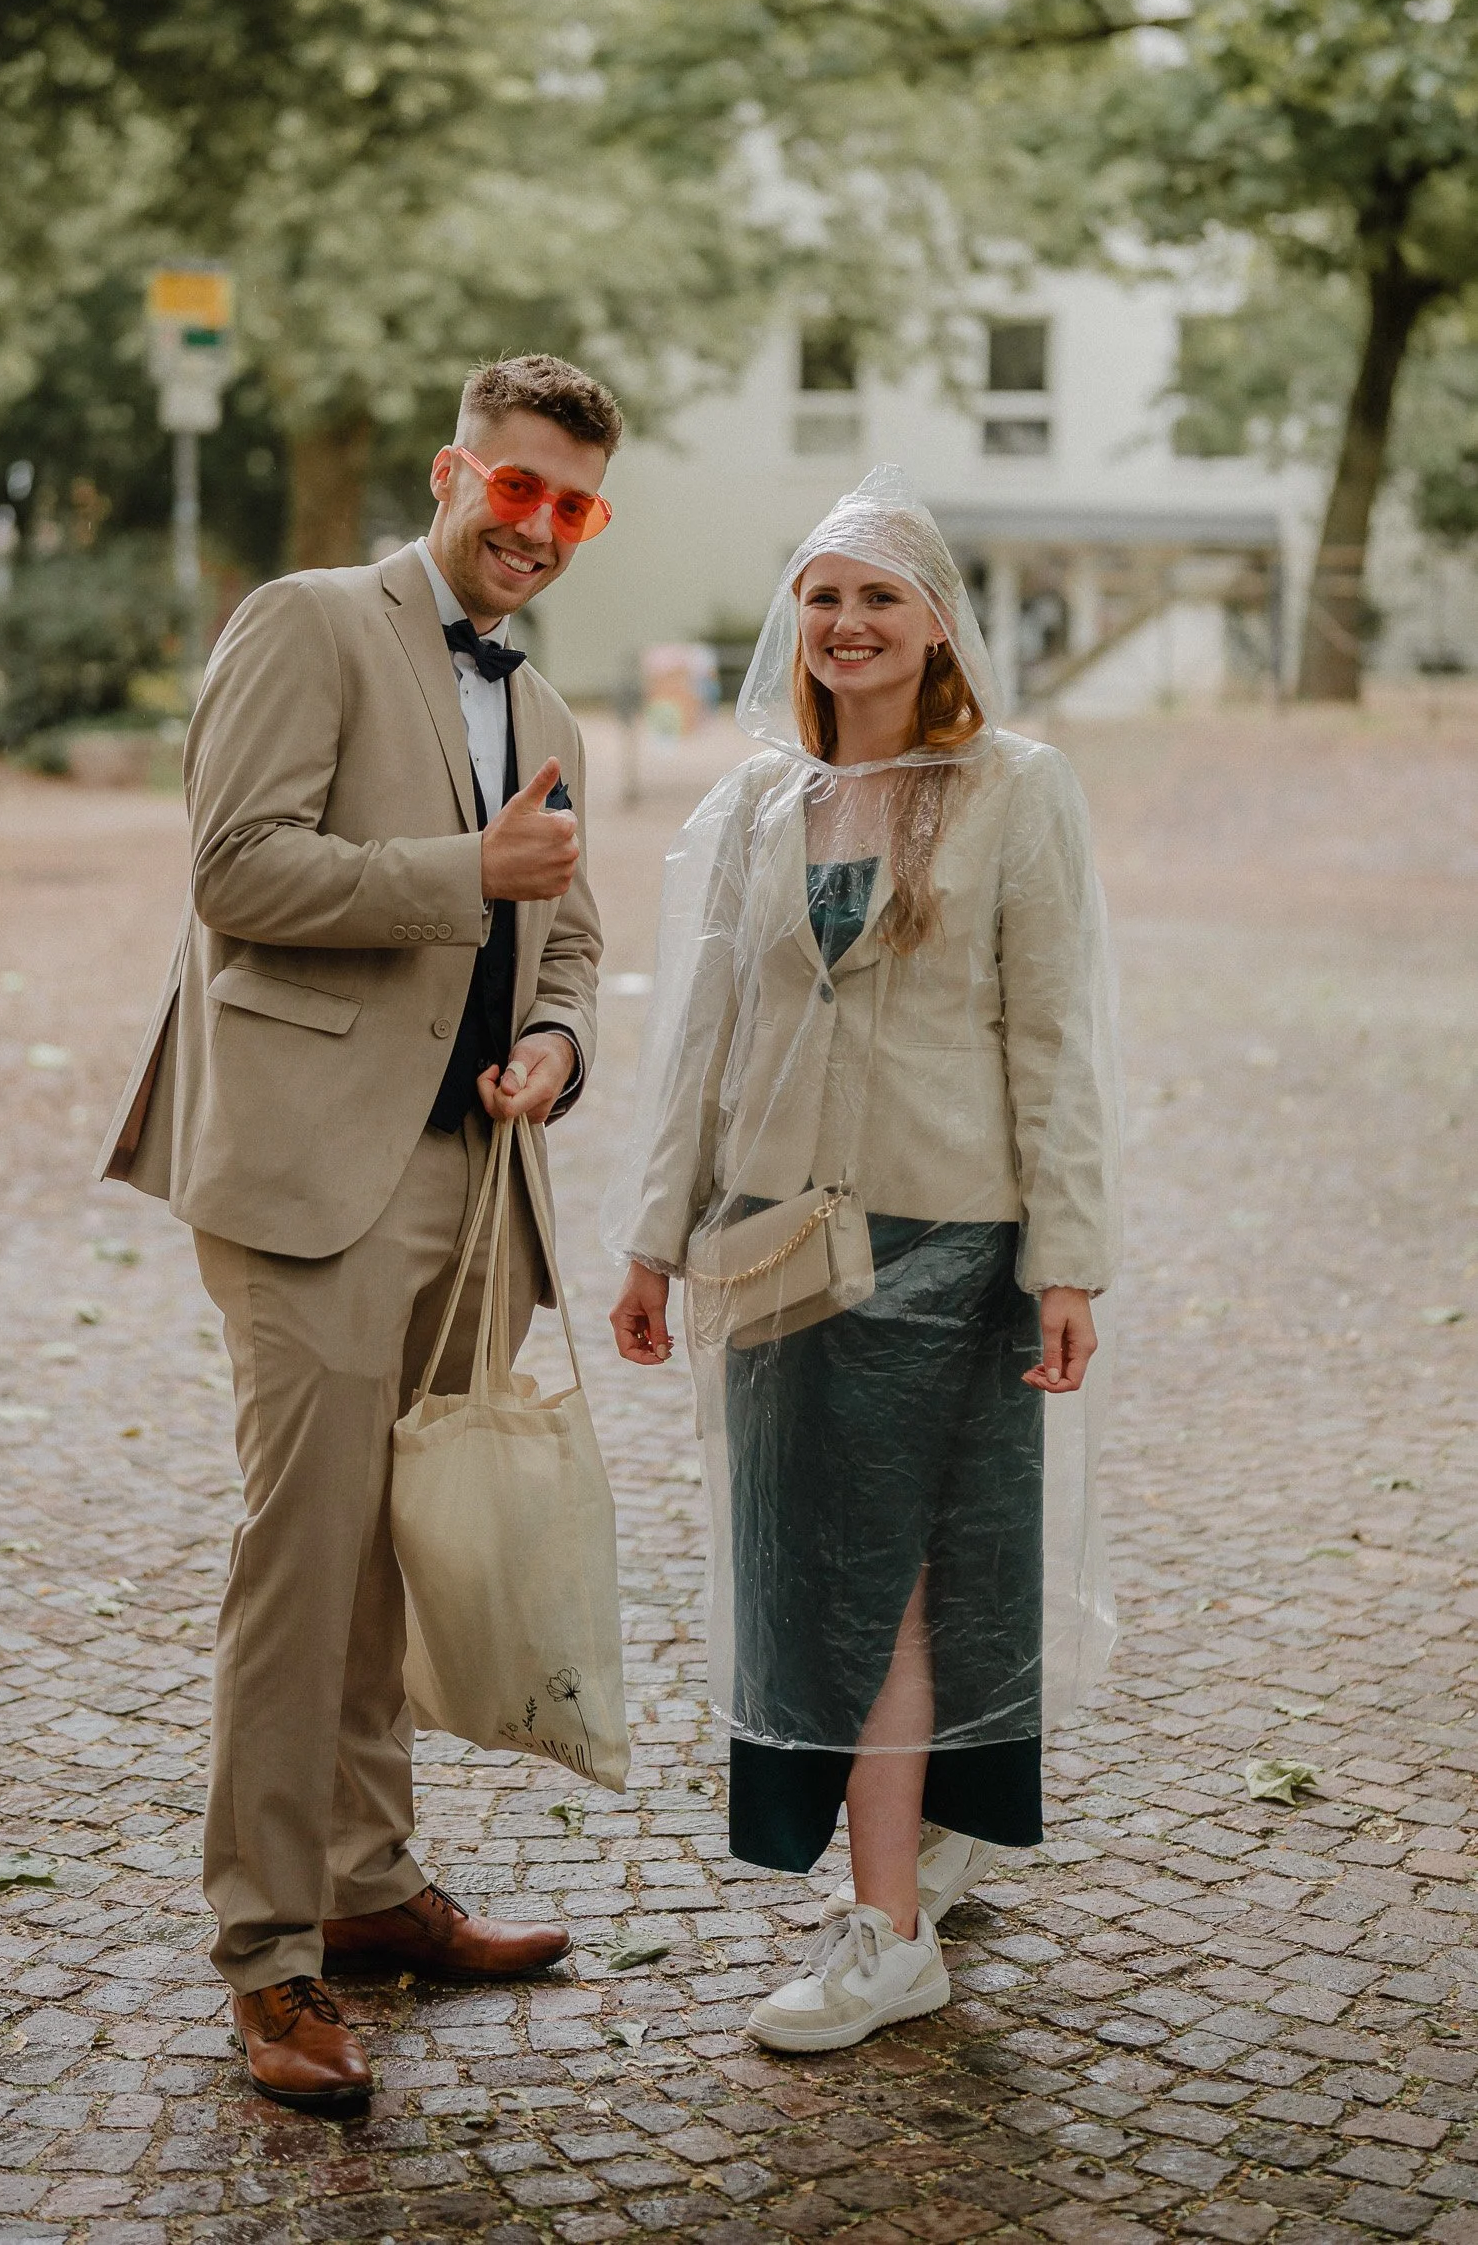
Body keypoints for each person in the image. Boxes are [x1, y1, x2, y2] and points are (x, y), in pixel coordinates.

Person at [96, 354, 616, 2112]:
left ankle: (374, 1890)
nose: (537, 530)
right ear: (453, 472)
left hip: (479, 1187)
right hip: (314, 1170)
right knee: (301, 1555)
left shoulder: (544, 714)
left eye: (573, 507)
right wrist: (456, 881)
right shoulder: (308, 622)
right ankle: (266, 1957)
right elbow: (237, 869)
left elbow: (574, 947)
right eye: (517, 489)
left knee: (393, 1551)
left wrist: (555, 1041)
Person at [605, 467, 1120, 2055]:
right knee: (812, 1577)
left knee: (894, 1582)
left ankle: (887, 1929)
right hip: (771, 1240)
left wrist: (1068, 1258)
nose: (843, 623)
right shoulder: (758, 805)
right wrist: (650, 1238)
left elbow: (1052, 1036)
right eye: (821, 595)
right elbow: (702, 1034)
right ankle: (917, 1850)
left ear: (935, 623)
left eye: (877, 596)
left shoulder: (1014, 791)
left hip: (939, 1241)